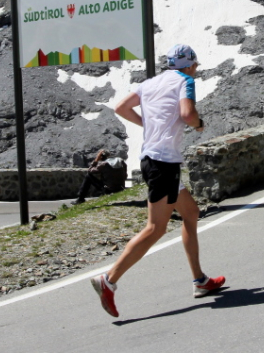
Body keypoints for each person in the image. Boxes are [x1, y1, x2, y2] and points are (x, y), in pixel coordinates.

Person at [90, 44, 225, 317]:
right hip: (163, 163)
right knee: (155, 228)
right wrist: (198, 124)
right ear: (189, 65)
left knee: (191, 213)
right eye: (195, 66)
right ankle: (109, 280)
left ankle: (200, 281)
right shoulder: (185, 81)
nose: (195, 71)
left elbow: (121, 107)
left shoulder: (150, 83)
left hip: (154, 159)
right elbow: (187, 114)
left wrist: (149, 125)